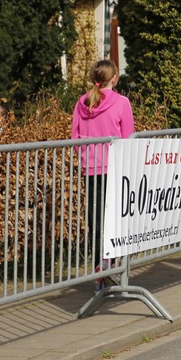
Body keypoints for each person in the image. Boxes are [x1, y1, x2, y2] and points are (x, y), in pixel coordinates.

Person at [71, 59, 135, 264]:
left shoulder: (82, 102)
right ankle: (111, 262)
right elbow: (128, 138)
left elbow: (74, 137)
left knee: (96, 218)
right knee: (115, 216)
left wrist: (86, 156)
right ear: (114, 78)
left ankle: (100, 263)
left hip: (90, 168)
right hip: (114, 167)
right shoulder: (121, 102)